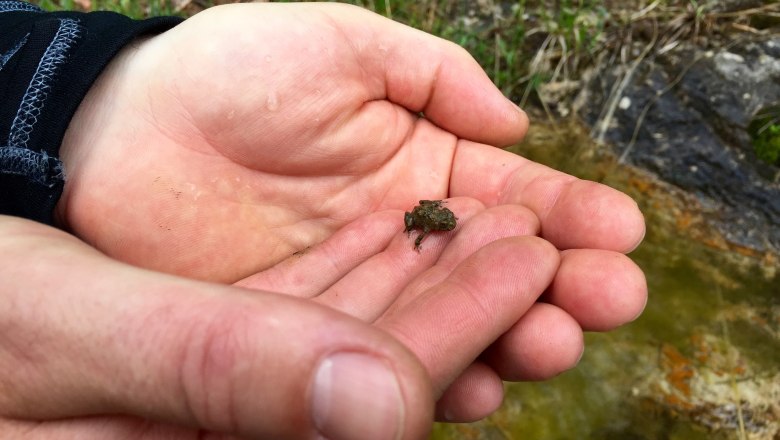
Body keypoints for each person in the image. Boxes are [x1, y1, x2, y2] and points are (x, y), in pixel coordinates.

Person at [0, 2, 648, 439]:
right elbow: (420, 221)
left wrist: (78, 92)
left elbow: (429, 218)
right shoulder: (420, 220)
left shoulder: (430, 217)